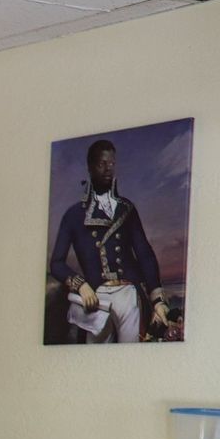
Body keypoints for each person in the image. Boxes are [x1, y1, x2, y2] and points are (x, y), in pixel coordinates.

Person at [47, 138, 170, 343]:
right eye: (102, 164)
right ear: (90, 167)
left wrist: (157, 300)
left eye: (111, 163)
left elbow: (145, 254)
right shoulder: (74, 215)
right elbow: (56, 263)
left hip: (129, 295)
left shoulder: (126, 209)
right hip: (96, 297)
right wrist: (81, 286)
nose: (108, 169)